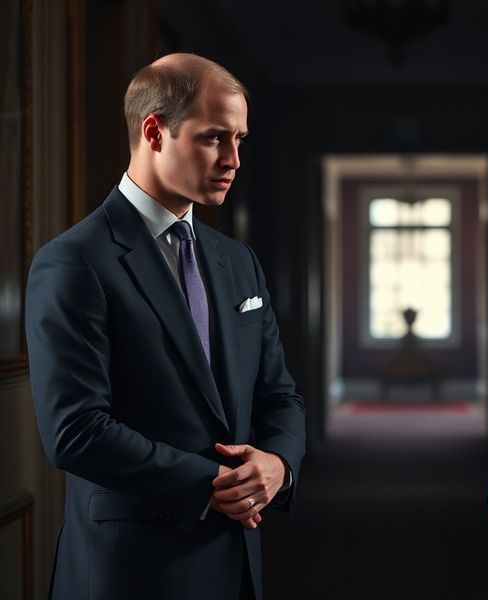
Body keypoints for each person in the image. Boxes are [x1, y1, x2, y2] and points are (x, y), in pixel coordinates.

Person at [25, 53, 305, 600]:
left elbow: (281, 395)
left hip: (237, 564)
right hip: (131, 571)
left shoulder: (237, 260)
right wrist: (210, 485)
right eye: (214, 138)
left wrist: (278, 464)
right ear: (154, 131)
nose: (234, 159)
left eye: (240, 140)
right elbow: (75, 430)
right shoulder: (73, 261)